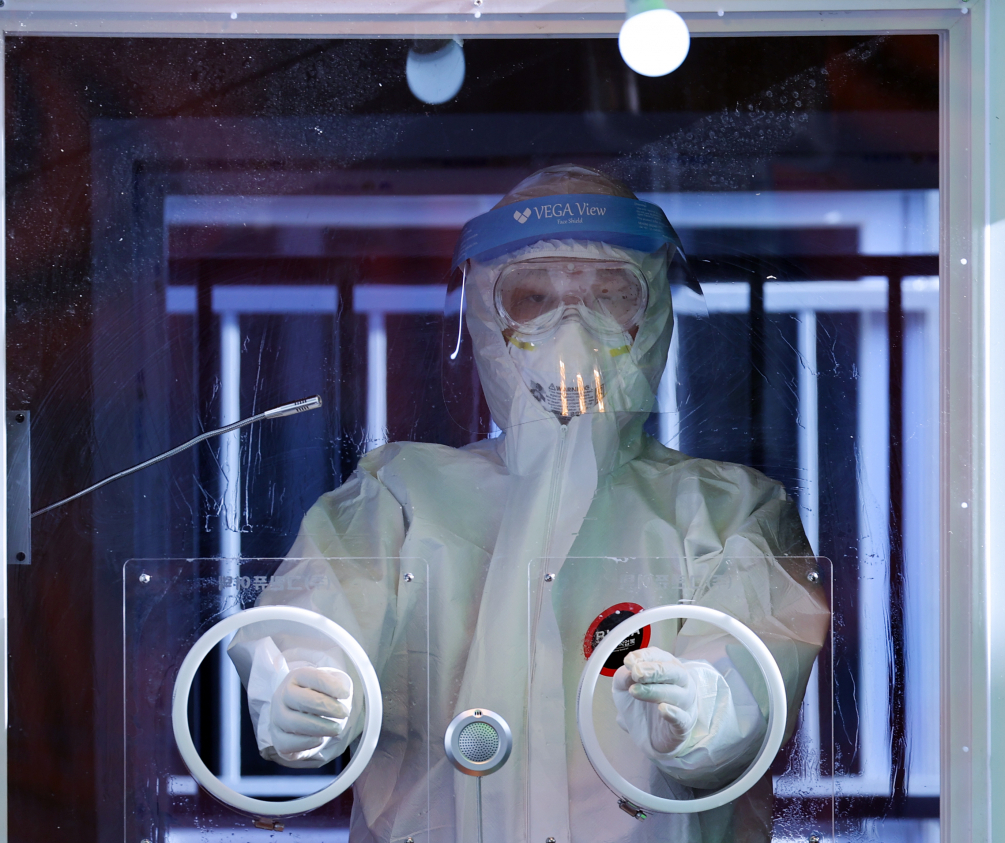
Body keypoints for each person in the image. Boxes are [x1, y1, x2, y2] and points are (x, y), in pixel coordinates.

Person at [228, 165, 829, 843]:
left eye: (608, 296)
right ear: (487, 314)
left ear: (652, 312)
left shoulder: (725, 512)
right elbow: (312, 623)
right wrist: (296, 686)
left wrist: (707, 710)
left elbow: (754, 679)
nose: (570, 331)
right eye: (534, 298)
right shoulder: (401, 494)